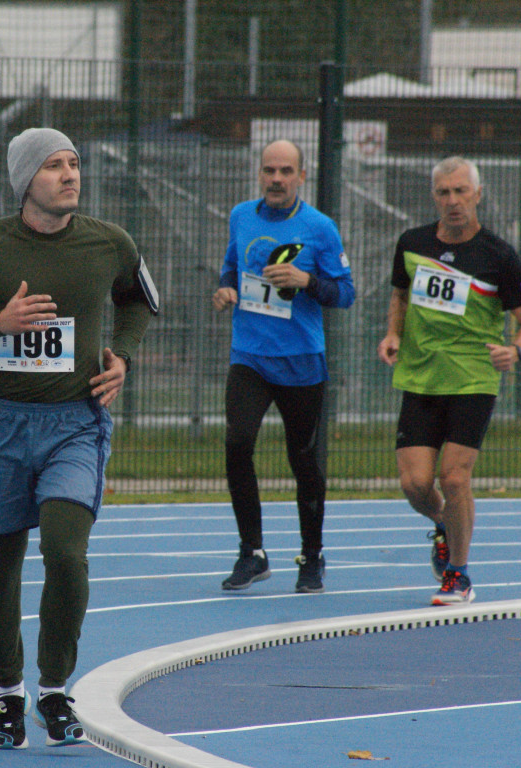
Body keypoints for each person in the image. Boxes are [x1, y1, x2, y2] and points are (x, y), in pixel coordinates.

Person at [0, 127, 157, 749]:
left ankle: (55, 690)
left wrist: (123, 357)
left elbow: (139, 301)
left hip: (74, 423)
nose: (70, 175)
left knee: (65, 550)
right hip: (1, 423)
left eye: (75, 163)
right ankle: (8, 696)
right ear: (26, 180)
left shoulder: (109, 242)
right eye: (54, 166)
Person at [377, 156, 521, 605]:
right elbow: (400, 294)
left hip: (472, 377)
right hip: (421, 375)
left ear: (477, 195)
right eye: (444, 192)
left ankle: (459, 575)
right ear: (434, 196)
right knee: (415, 485)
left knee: (454, 478)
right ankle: (444, 527)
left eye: (460, 192)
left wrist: (516, 350)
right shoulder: (411, 243)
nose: (452, 201)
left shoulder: (498, 255)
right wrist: (393, 332)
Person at [212, 139, 355, 594]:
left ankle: (311, 557)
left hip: (300, 362)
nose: (277, 178)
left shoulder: (320, 228)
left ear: (301, 176)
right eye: (269, 170)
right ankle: (251, 552)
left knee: (304, 461)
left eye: (286, 171)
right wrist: (226, 291)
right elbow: (231, 268)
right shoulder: (241, 216)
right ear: (259, 174)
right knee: (237, 443)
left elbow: (346, 293)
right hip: (250, 355)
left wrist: (306, 280)